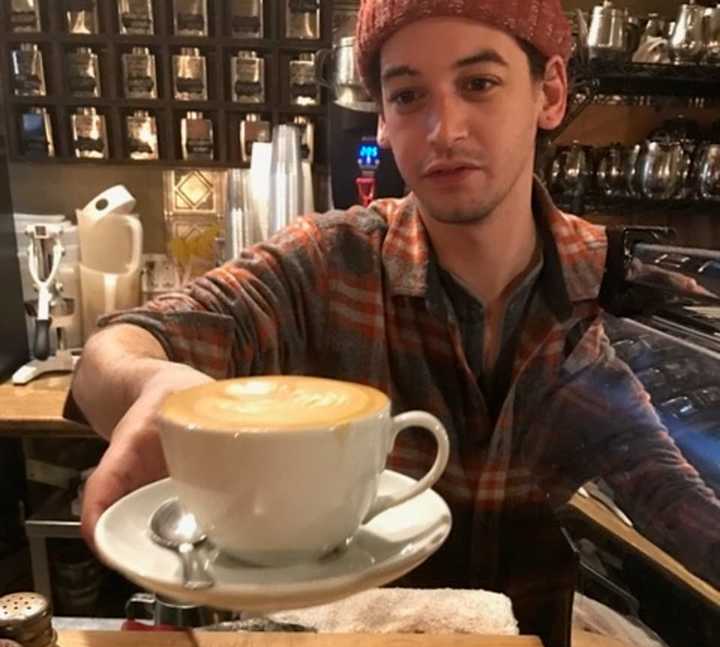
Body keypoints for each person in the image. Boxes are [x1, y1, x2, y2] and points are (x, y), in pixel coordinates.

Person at [68, 0, 720, 589]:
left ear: (548, 93)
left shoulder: (603, 284)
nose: (444, 129)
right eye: (409, 96)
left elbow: (664, 487)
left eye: (479, 84)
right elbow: (113, 352)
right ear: (381, 117)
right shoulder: (328, 264)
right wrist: (151, 384)